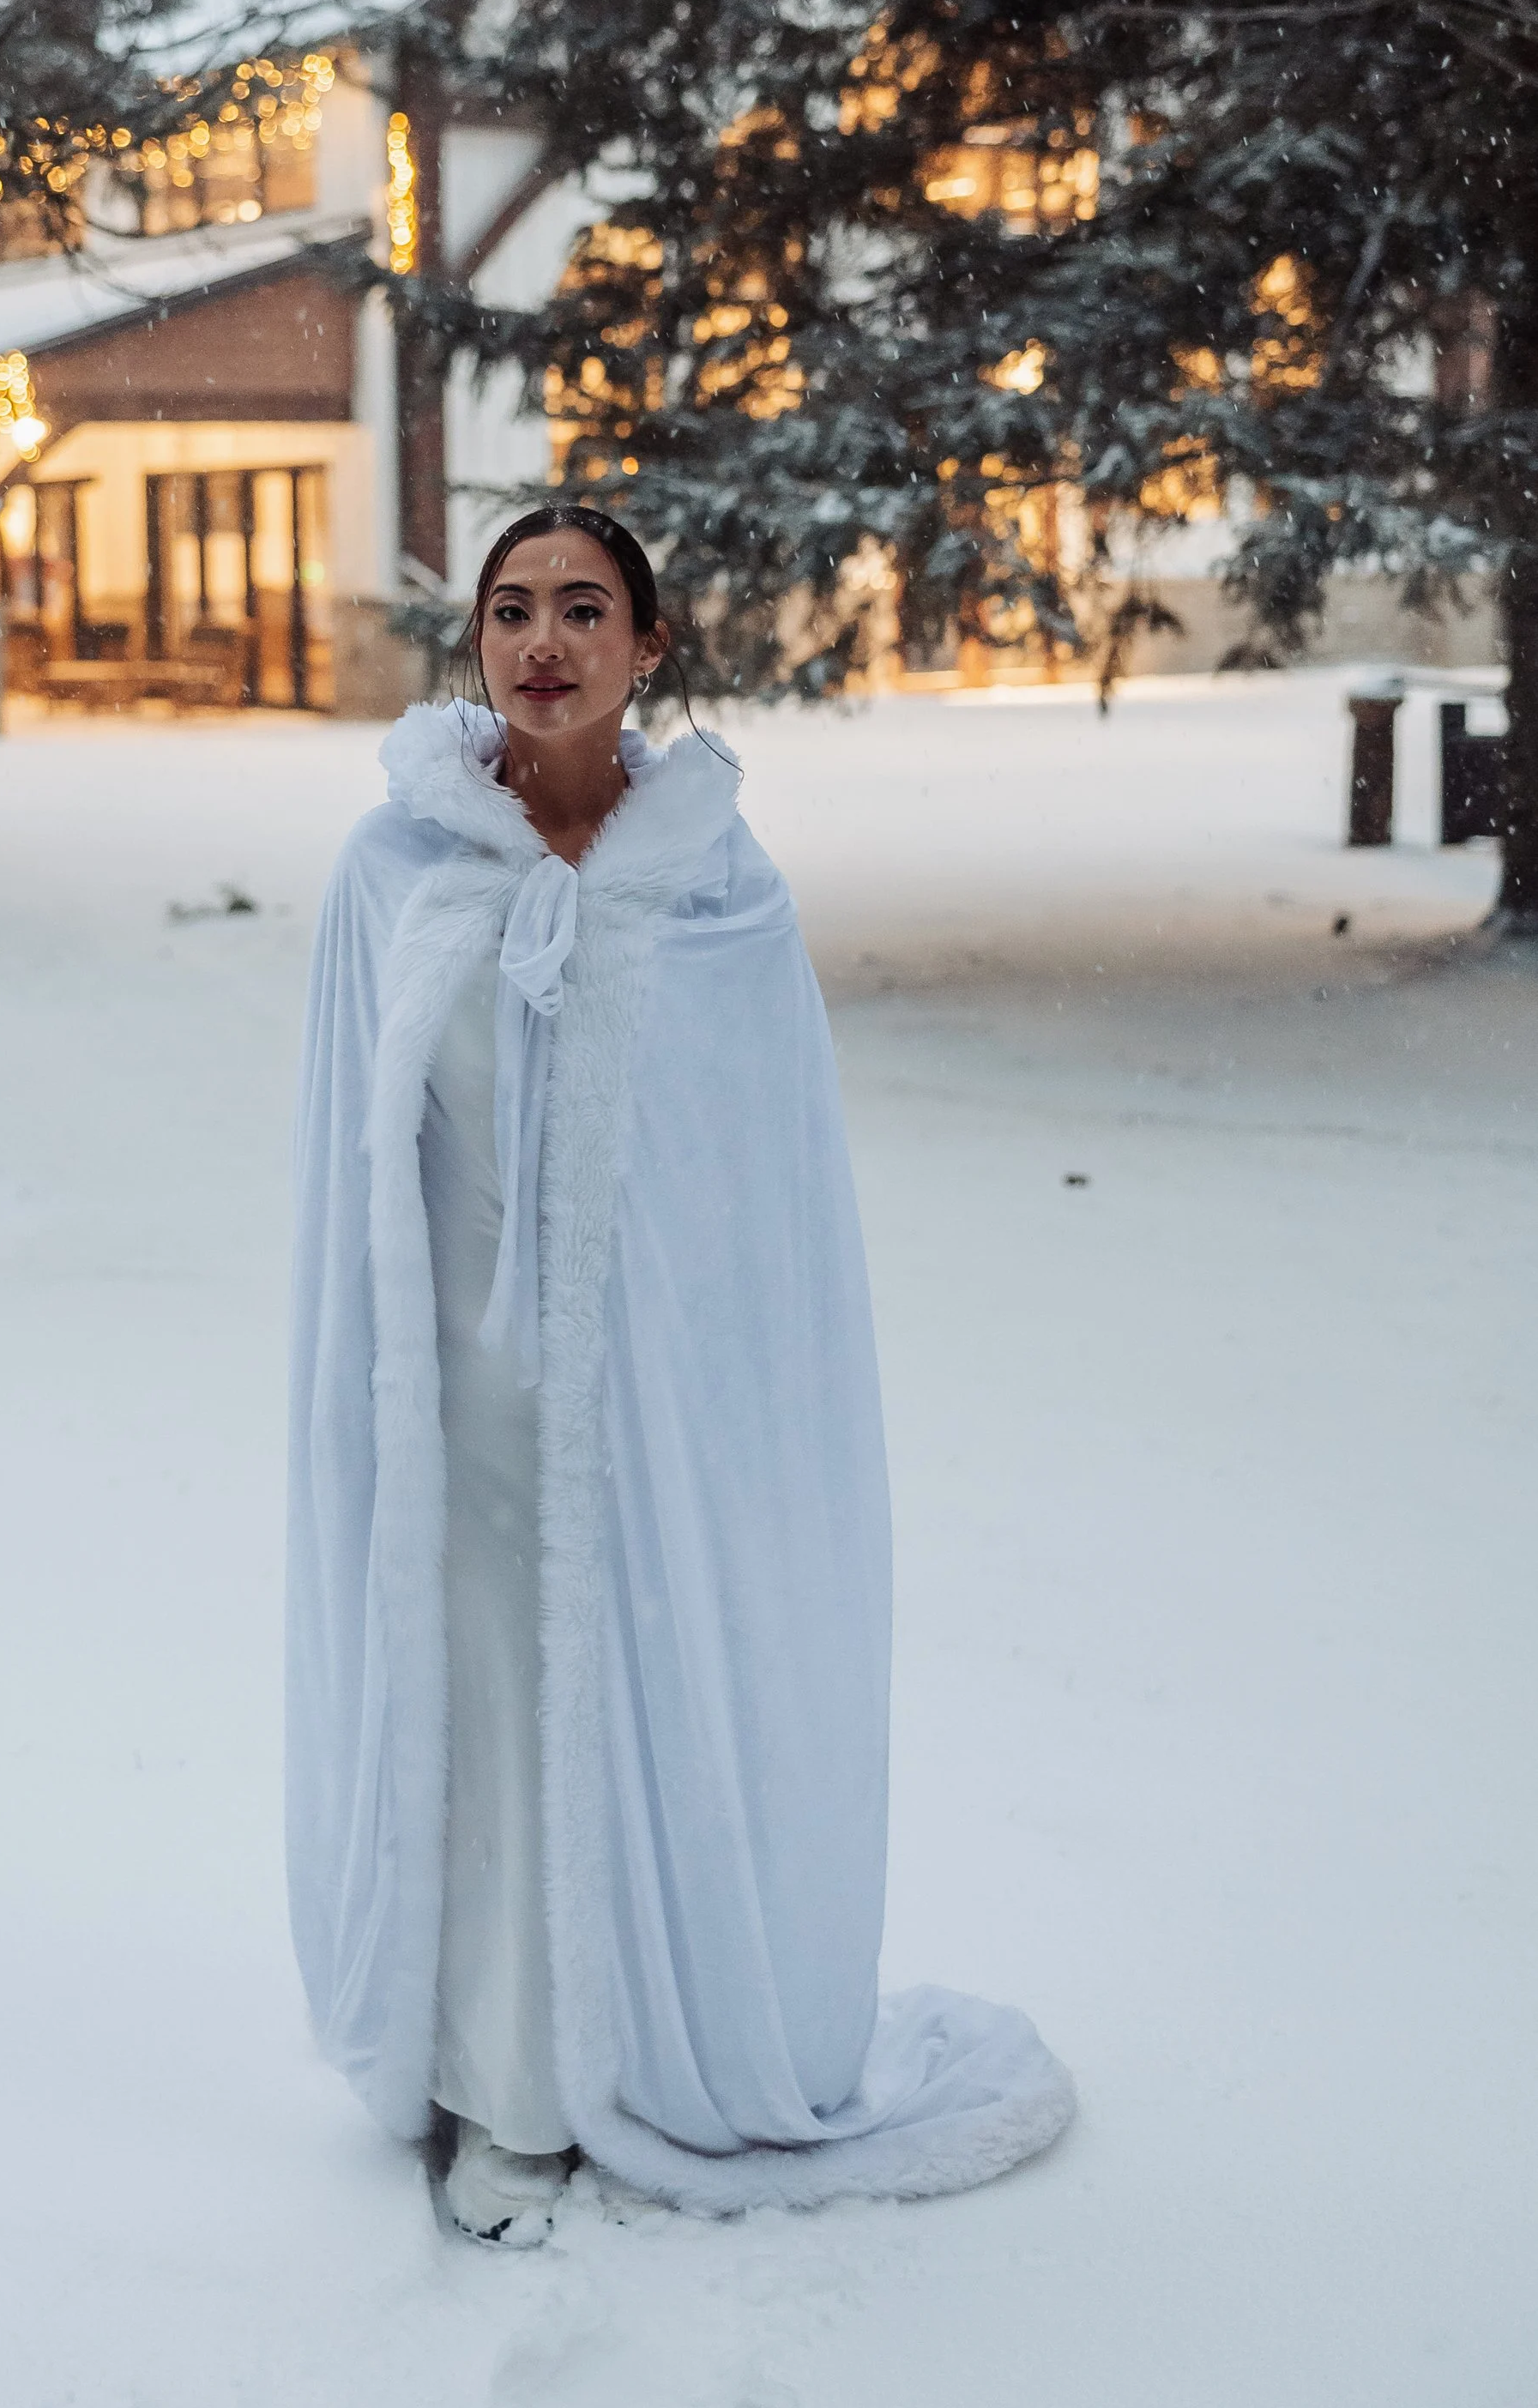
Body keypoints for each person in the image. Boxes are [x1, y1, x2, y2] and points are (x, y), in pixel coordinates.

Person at [286, 504, 1072, 2242]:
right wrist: (374, 1396)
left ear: (649, 646)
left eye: (584, 608)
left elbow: (765, 1189)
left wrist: (719, 1400)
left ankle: (658, 2042)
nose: (542, 639)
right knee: (493, 1720)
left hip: (666, 1413)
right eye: (509, 609)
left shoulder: (719, 885)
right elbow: (348, 1157)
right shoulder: (390, 867)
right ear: (473, 643)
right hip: (465, 1414)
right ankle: (510, 2089)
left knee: (651, 1702)